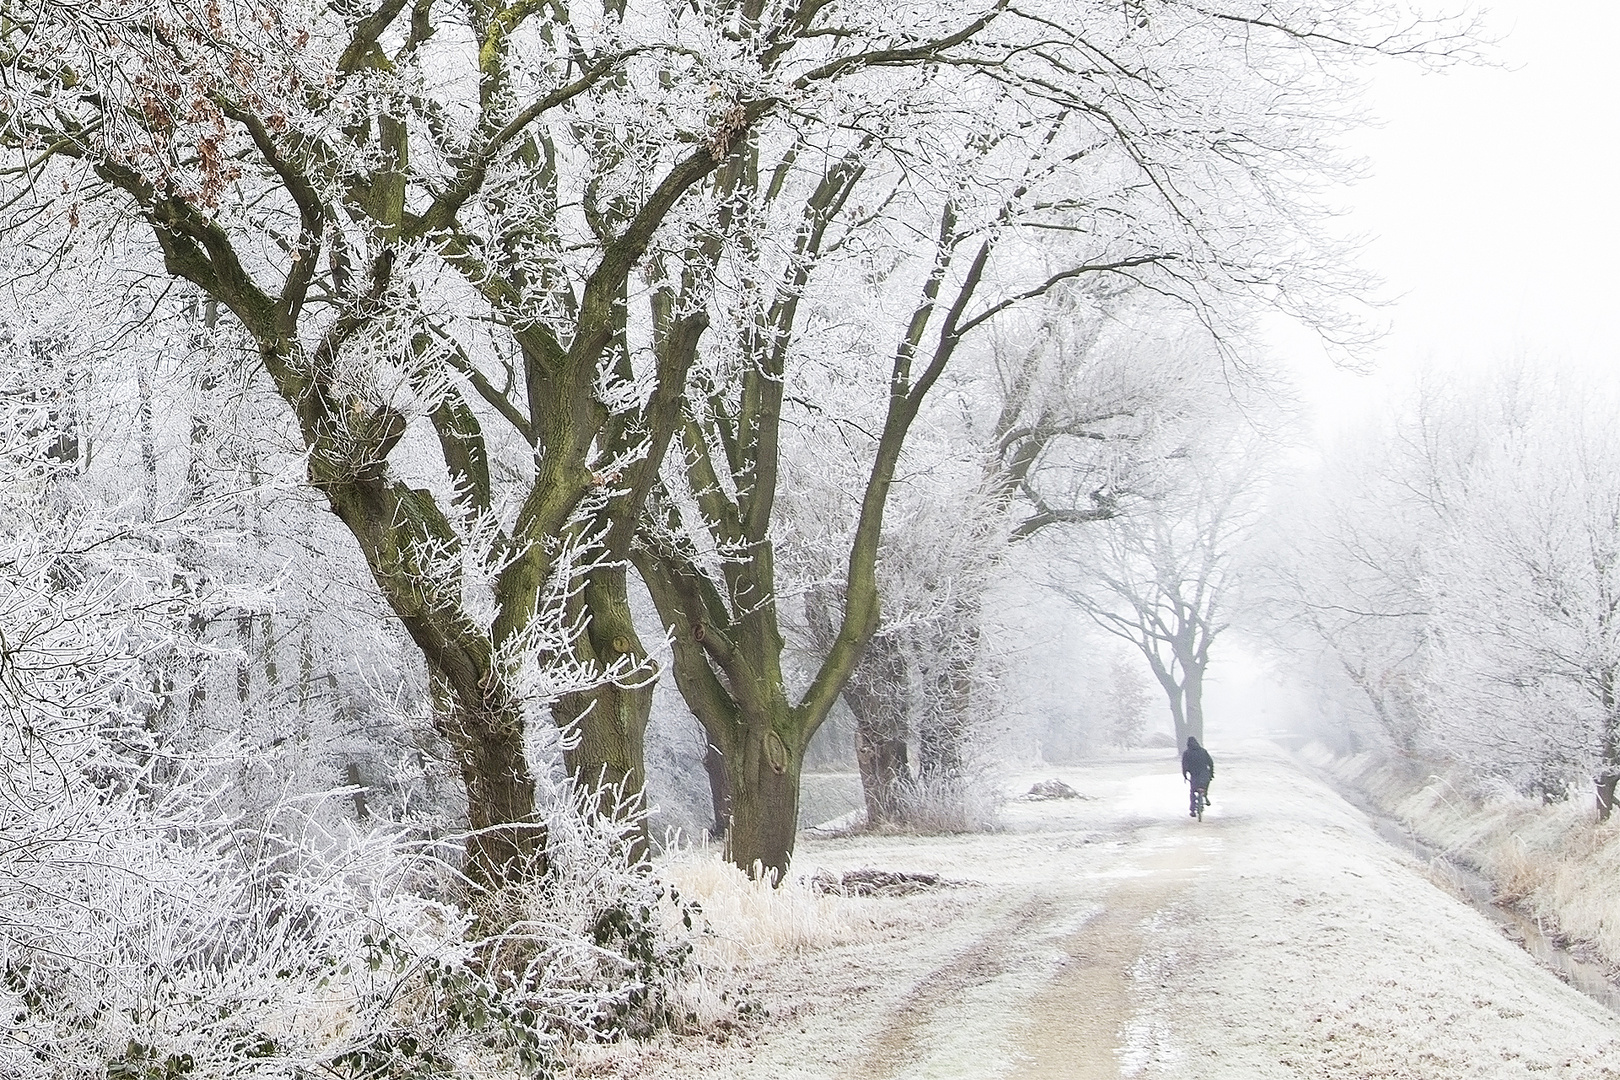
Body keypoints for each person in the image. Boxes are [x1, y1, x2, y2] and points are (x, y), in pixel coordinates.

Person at [1181, 736, 1214, 817]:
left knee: (1192, 792)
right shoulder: (1203, 751)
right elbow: (1210, 762)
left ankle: (1192, 810)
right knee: (1204, 786)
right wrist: (1211, 773)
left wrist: (1185, 775)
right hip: (1204, 773)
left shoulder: (1186, 753)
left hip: (1194, 774)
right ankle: (1205, 796)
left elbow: (1184, 765)